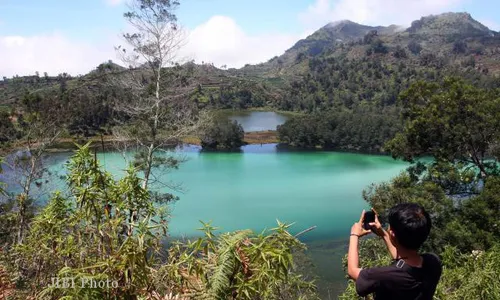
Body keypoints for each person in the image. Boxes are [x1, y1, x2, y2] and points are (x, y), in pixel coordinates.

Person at [347, 203, 442, 300]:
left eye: (389, 226)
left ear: (392, 234)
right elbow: (403, 260)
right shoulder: (433, 262)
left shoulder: (385, 276)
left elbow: (352, 271)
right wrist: (384, 234)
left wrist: (354, 234)